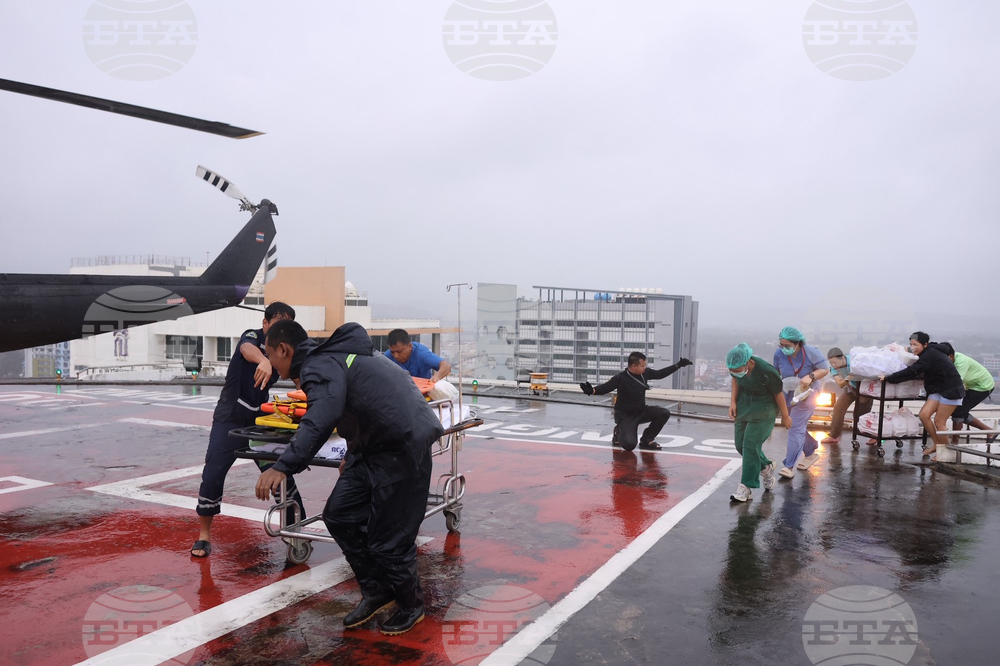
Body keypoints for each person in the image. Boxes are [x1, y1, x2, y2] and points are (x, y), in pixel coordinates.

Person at [256, 320, 444, 636]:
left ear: (283, 350)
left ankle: (412, 606)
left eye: (269, 354)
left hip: (401, 445)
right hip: (372, 446)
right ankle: (377, 590)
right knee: (339, 514)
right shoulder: (329, 360)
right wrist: (354, 451)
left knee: (389, 538)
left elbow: (320, 418)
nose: (270, 363)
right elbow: (364, 405)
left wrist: (283, 466)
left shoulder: (320, 364)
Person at [191, 302, 301, 558]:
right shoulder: (254, 338)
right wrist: (264, 360)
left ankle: (295, 529)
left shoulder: (286, 349)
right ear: (265, 324)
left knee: (280, 472)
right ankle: (204, 535)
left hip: (259, 419)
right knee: (213, 473)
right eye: (277, 324)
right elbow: (246, 347)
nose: (281, 330)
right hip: (230, 417)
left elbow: (298, 376)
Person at [579, 352, 692, 451]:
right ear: (633, 366)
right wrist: (592, 390)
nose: (645, 368)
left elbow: (659, 374)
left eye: (645, 365)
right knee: (629, 446)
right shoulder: (621, 378)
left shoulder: (644, 373)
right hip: (626, 416)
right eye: (642, 366)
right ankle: (618, 432)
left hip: (641, 411)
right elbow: (605, 387)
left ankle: (646, 440)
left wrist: (678, 365)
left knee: (664, 413)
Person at [726, 343, 792, 502]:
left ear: (747, 362)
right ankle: (766, 467)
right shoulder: (737, 368)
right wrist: (733, 402)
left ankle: (746, 488)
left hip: (764, 408)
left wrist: (785, 415)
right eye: (732, 371)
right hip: (745, 405)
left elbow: (778, 394)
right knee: (739, 444)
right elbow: (735, 380)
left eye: (737, 370)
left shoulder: (766, 371)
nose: (734, 373)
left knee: (750, 444)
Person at [883, 332, 965, 458]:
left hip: (951, 389)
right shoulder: (928, 353)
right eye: (911, 345)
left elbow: (912, 371)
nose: (913, 348)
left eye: (915, 345)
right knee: (924, 415)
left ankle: (945, 452)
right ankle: (938, 444)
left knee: (939, 421)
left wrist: (889, 378)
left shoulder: (929, 355)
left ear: (925, 344)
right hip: (938, 389)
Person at [772, 327, 829, 478]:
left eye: (788, 346)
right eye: (781, 345)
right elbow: (775, 373)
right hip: (789, 392)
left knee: (795, 427)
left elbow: (825, 369)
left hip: (808, 392)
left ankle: (789, 466)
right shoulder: (779, 355)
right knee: (794, 425)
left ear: (798, 343)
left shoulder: (811, 352)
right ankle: (810, 452)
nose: (784, 349)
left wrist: (811, 376)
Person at [931, 342, 995, 444]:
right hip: (971, 385)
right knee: (960, 411)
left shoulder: (961, 362)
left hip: (982, 386)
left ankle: (955, 442)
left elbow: (956, 382)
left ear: (951, 356)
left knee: (958, 411)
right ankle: (989, 431)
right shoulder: (950, 361)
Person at [824, 347, 873, 443]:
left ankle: (873, 436)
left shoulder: (854, 361)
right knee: (838, 408)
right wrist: (849, 377)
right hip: (850, 387)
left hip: (865, 389)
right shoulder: (834, 368)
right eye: (831, 363)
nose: (833, 365)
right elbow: (840, 384)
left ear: (842, 358)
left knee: (860, 415)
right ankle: (834, 436)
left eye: (835, 362)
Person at [385, 329, 451, 381]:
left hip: (423, 394)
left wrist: (437, 377)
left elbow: (446, 366)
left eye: (399, 351)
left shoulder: (421, 353)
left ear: (410, 346)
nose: (396, 356)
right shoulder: (387, 357)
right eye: (392, 352)